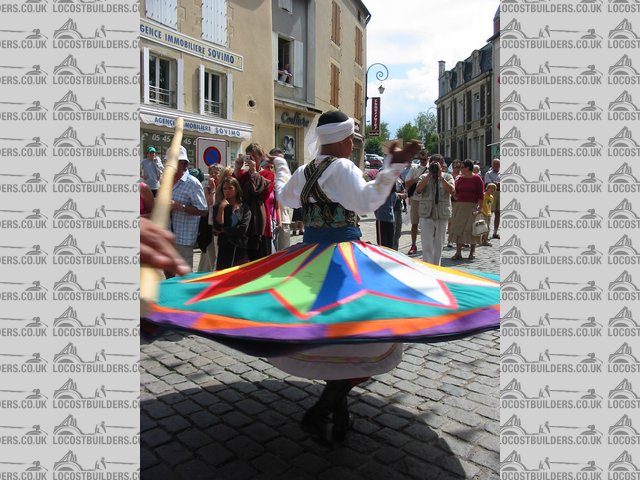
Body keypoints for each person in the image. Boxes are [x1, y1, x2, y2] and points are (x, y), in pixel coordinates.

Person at [270, 110, 420, 443]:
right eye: (351, 137)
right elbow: (367, 200)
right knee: (363, 337)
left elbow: (284, 196)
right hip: (342, 263)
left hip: (309, 260)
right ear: (341, 139)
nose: (352, 143)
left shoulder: (305, 170)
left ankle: (339, 416)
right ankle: (323, 411)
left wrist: (281, 165)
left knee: (335, 337)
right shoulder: (341, 167)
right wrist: (393, 166)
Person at [169, 146, 209, 275]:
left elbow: (204, 211)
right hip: (167, 236)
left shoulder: (193, 183)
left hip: (184, 238)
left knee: (184, 275)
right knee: (169, 273)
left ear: (181, 163)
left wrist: (180, 206)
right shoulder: (167, 180)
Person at [233, 144, 273, 260]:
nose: (251, 159)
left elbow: (263, 193)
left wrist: (254, 172)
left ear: (261, 157)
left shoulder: (268, 174)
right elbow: (234, 190)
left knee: (261, 261)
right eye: (248, 157)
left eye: (254, 156)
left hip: (260, 223)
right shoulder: (243, 175)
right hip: (245, 221)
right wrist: (237, 168)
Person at [415, 154, 454, 265]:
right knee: (426, 245)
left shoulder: (447, 177)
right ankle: (427, 268)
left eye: (438, 164)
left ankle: (436, 267)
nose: (435, 166)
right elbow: (418, 190)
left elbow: (452, 190)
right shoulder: (424, 177)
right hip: (426, 214)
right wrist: (429, 176)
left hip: (441, 215)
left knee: (439, 245)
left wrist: (440, 177)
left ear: (442, 165)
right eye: (433, 164)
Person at [212, 176, 252, 270]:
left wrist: (224, 230)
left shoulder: (244, 208)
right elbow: (217, 227)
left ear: (236, 189)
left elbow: (242, 229)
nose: (227, 191)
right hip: (224, 248)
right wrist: (222, 208)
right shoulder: (218, 207)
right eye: (225, 188)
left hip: (240, 248)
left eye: (230, 188)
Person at [449, 159, 484, 261]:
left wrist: (480, 208)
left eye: (462, 167)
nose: (461, 169)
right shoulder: (459, 179)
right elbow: (456, 191)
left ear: (468, 168)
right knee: (458, 228)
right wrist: (454, 196)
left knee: (471, 229)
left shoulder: (477, 179)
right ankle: (458, 252)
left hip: (472, 206)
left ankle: (472, 252)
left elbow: (481, 194)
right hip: (459, 206)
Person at [197, 164, 225, 272]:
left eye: (216, 172)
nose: (213, 175)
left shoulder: (224, 188)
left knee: (218, 254)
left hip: (220, 225)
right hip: (208, 226)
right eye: (211, 172)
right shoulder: (207, 189)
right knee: (209, 254)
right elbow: (210, 205)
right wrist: (213, 189)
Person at [403, 150, 430, 255]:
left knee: (427, 224)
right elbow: (406, 184)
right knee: (414, 223)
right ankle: (413, 244)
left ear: (427, 158)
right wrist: (416, 179)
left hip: (427, 199)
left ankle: (427, 244)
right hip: (415, 199)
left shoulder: (430, 169)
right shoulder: (414, 169)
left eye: (425, 159)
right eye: (421, 159)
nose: (423, 161)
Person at [374, 183, 396, 249]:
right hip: (391, 219)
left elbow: (375, 206)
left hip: (381, 219)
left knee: (382, 245)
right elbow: (393, 204)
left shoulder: (379, 194)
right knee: (390, 244)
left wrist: (377, 214)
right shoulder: (394, 194)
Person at [484, 158, 500, 239]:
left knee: (498, 213)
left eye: (498, 164)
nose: (496, 166)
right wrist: (497, 184)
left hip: (500, 194)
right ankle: (486, 232)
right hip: (491, 194)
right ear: (492, 165)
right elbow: (488, 184)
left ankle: (495, 232)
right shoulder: (488, 173)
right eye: (495, 164)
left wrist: (495, 183)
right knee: (489, 212)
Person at [392, 178, 406, 251]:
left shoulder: (398, 181)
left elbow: (405, 194)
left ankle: (395, 251)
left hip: (398, 209)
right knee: (391, 233)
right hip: (389, 211)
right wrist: (398, 195)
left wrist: (397, 195)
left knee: (397, 233)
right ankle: (389, 252)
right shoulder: (385, 179)